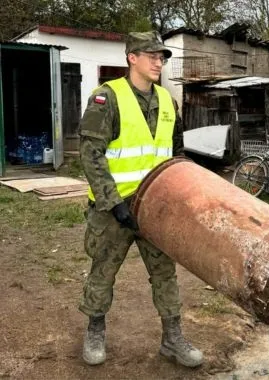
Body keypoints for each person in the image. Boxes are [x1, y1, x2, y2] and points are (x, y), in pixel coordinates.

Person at [78, 31, 203, 368]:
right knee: (103, 272)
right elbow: (91, 155)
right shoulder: (107, 98)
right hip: (113, 209)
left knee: (165, 273)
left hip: (156, 208)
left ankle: (172, 338)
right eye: (151, 55)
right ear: (131, 57)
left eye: (161, 56)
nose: (158, 61)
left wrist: (180, 193)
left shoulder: (167, 100)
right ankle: (94, 331)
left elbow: (176, 153)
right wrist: (114, 203)